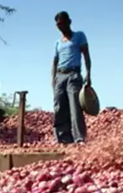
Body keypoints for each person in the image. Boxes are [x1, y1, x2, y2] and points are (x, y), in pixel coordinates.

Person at [52, 11, 91, 144]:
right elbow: (54, 62)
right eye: (58, 25)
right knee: (59, 107)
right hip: (60, 75)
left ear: (69, 22)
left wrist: (89, 74)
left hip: (73, 74)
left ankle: (79, 138)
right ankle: (63, 138)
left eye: (62, 23)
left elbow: (86, 55)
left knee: (75, 106)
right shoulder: (57, 43)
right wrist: (53, 79)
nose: (60, 27)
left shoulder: (79, 36)